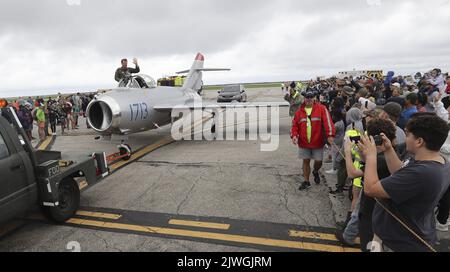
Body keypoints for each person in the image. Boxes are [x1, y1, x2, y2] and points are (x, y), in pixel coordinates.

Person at [359, 115, 450, 252]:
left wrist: (370, 156)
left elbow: (371, 189)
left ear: (419, 141)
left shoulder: (422, 173)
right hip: (408, 234)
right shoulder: (438, 161)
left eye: (408, 135)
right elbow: (400, 173)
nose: (405, 138)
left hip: (397, 241)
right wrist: (388, 150)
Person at [336, 118, 397, 251]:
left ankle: (348, 237)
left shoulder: (379, 160)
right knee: (357, 213)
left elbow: (352, 173)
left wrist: (347, 150)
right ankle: (348, 236)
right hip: (380, 201)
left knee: (368, 231)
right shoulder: (394, 154)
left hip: (373, 204)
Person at [291, 89, 335, 191]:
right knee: (305, 161)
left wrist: (330, 135)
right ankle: (306, 181)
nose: (309, 99)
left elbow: (328, 122)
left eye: (311, 97)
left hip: (318, 142)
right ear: (304, 98)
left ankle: (315, 171)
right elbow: (294, 126)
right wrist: (294, 135)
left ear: (314, 98)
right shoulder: (299, 112)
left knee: (318, 161)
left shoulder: (322, 109)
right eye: (307, 97)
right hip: (304, 143)